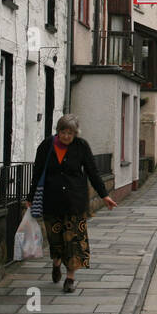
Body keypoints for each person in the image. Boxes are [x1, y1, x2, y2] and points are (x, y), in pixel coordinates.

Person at [31, 114, 116, 293]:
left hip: (75, 202)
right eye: (63, 132)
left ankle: (70, 278)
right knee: (55, 239)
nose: (67, 136)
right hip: (51, 201)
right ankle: (56, 263)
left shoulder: (81, 146)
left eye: (70, 133)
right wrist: (30, 198)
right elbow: (37, 173)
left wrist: (104, 195)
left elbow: (92, 171)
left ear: (75, 133)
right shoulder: (47, 146)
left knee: (73, 240)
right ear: (58, 131)